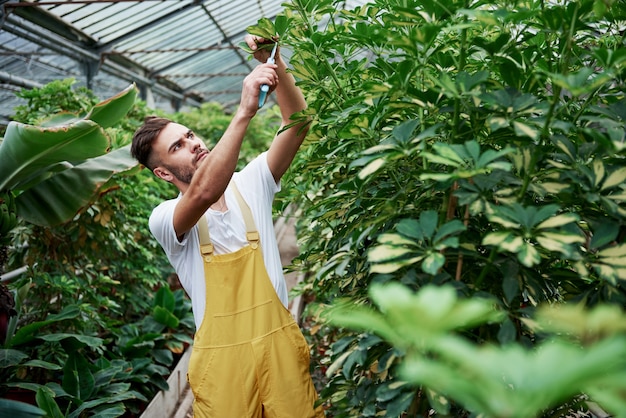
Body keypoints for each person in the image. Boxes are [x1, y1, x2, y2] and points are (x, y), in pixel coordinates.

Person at [131, 34, 324, 418]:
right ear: (163, 173)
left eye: (189, 135)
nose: (194, 143)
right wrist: (243, 112)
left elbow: (298, 124)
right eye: (178, 147)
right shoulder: (165, 219)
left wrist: (272, 60)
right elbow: (202, 194)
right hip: (224, 366)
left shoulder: (251, 183)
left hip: (279, 349)